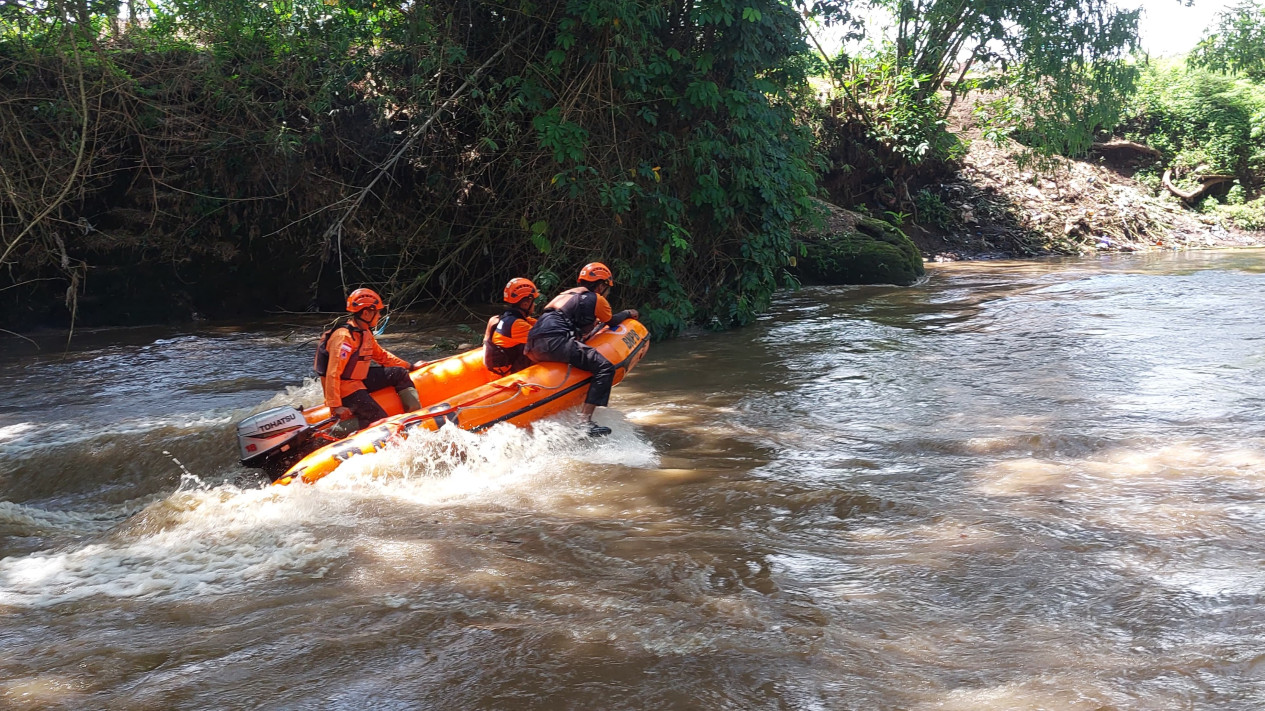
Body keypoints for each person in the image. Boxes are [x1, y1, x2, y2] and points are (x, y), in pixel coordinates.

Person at [525, 262, 639, 437]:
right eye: (606, 287)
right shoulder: (597, 299)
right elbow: (612, 321)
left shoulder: (564, 295)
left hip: (532, 344)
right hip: (555, 341)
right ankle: (585, 422)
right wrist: (628, 313)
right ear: (601, 286)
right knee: (605, 368)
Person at [314, 288, 425, 434]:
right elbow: (333, 373)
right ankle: (332, 432)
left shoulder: (364, 333)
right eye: (377, 312)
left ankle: (414, 417)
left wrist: (410, 366)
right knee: (378, 420)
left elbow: (382, 356)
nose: (379, 315)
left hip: (358, 379)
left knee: (399, 373)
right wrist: (335, 406)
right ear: (366, 313)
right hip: (345, 389)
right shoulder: (344, 338)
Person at [484, 277, 539, 376]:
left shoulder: (498, 318)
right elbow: (547, 338)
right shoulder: (517, 325)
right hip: (505, 375)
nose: (534, 304)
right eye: (533, 301)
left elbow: (539, 324)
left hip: (496, 369)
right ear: (526, 304)